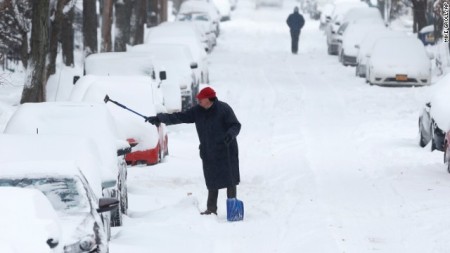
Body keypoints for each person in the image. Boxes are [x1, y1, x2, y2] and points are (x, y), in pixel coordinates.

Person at [145, 87, 241, 215]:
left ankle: (233, 209)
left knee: (230, 180)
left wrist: (230, 134)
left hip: (226, 149)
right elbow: (180, 117)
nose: (198, 101)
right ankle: (211, 209)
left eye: (201, 98)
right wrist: (159, 118)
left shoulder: (223, 109)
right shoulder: (198, 111)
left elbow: (235, 125)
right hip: (209, 151)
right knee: (212, 181)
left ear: (208, 99)